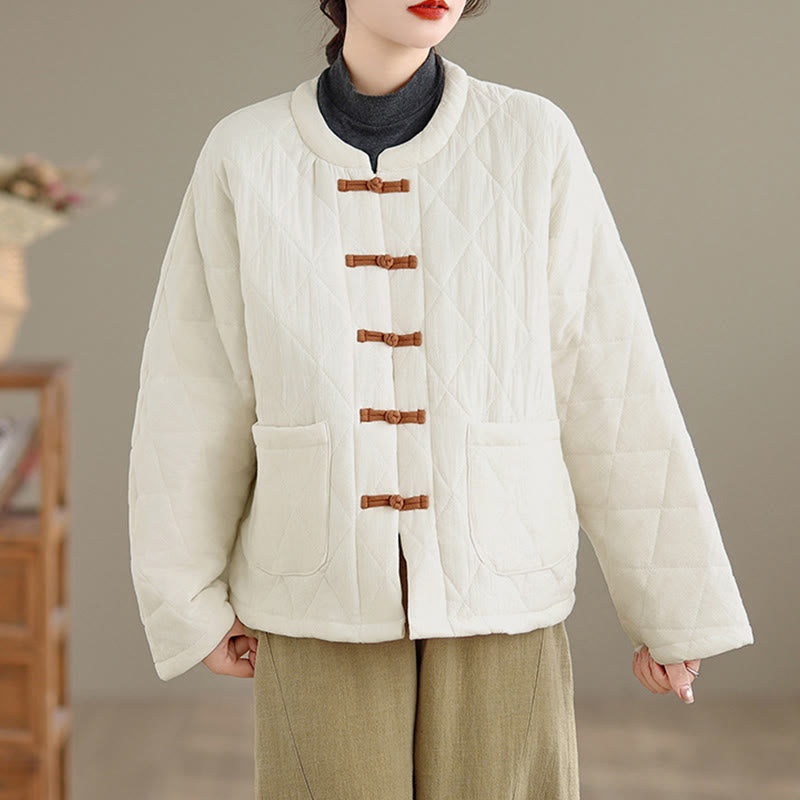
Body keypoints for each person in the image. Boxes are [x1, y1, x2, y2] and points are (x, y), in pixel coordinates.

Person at [127, 1, 754, 797]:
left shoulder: (531, 139)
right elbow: (195, 387)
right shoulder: (244, 153)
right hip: (315, 585)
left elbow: (607, 370)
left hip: (501, 579)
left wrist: (672, 607)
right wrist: (188, 601)